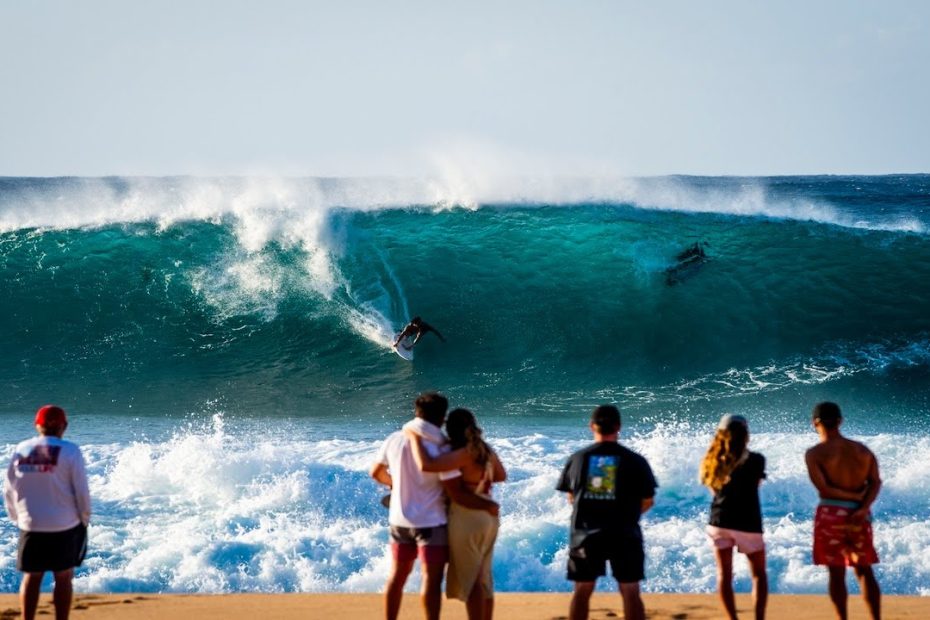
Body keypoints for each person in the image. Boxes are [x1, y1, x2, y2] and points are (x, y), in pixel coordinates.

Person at [370, 393, 498, 620]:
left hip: (399, 520)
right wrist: (483, 503)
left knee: (397, 577)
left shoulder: (394, 439)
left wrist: (396, 484)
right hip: (432, 523)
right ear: (441, 418)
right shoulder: (442, 447)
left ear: (416, 413)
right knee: (431, 579)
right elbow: (453, 489)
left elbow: (376, 473)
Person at [556, 405, 657, 620]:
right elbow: (648, 500)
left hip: (586, 534)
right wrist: (627, 514)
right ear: (618, 427)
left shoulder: (577, 459)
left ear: (592, 426)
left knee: (582, 592)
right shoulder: (636, 460)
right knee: (630, 591)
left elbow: (571, 498)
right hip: (625, 532)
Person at [406, 408, 507, 620]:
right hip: (489, 519)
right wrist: (477, 479)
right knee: (484, 579)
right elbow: (500, 476)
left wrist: (414, 437)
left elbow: (427, 465)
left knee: (472, 581)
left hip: (467, 517)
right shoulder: (485, 450)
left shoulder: (463, 454)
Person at [3, 405, 91, 620]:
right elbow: (81, 491)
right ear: (64, 426)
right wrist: (84, 518)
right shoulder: (70, 450)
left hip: (31, 523)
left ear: (37, 425)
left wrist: (18, 518)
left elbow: (9, 488)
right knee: (63, 577)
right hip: (64, 524)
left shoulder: (22, 449)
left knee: (32, 577)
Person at [805, 402, 882, 620]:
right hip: (859, 515)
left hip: (830, 514)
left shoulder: (815, 453)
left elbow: (824, 488)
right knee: (864, 569)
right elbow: (875, 483)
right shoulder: (862, 450)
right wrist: (862, 505)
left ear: (815, 423)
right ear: (840, 421)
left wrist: (852, 498)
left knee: (836, 571)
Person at [699, 414, 768, 620]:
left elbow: (714, 490)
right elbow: (754, 486)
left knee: (724, 575)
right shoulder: (756, 460)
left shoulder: (712, 460)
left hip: (719, 520)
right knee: (758, 575)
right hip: (748, 521)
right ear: (746, 434)